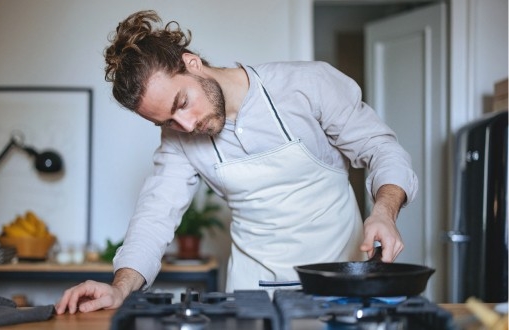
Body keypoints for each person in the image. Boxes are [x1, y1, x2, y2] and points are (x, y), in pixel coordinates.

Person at [55, 9, 418, 314]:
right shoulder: (178, 139)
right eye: (165, 121)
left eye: (181, 103)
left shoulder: (305, 85)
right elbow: (154, 218)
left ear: (193, 64)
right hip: (252, 295)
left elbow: (381, 148)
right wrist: (119, 289)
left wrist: (384, 212)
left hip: (339, 283)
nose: (184, 126)